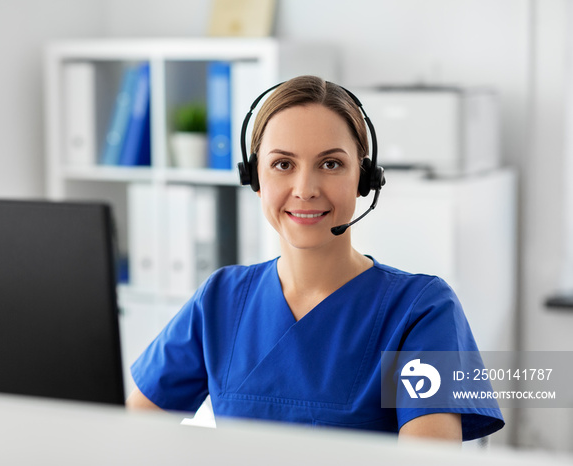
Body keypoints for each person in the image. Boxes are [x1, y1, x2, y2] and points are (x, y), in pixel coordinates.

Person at [127, 76, 504, 442]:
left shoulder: (422, 311)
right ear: (254, 177)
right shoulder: (220, 300)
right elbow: (128, 434)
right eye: (283, 164)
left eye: (330, 164)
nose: (305, 190)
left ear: (364, 178)